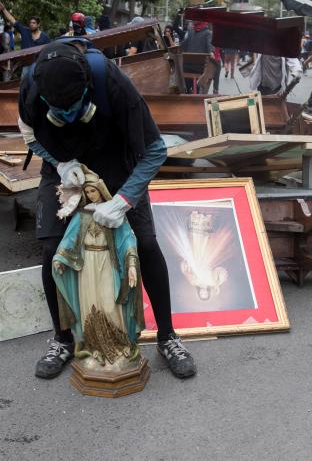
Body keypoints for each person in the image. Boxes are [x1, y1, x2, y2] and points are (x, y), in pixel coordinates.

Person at [17, 38, 197, 380]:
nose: (68, 117)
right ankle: (62, 339)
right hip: (65, 166)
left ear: (87, 89)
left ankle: (168, 337)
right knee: (52, 248)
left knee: (144, 244)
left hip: (118, 164)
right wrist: (58, 163)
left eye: (74, 109)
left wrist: (124, 199)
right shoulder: (30, 87)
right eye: (60, 112)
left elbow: (156, 150)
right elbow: (30, 137)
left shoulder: (113, 84)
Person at [52, 168, 143, 368]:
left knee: (110, 304)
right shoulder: (82, 216)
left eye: (93, 191)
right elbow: (70, 240)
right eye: (87, 192)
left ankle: (120, 346)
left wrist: (131, 264)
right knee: (89, 305)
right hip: (86, 266)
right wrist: (60, 259)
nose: (90, 195)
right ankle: (95, 349)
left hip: (107, 262)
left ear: (101, 190)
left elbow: (127, 239)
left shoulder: (113, 212)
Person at [181, 21, 214, 93]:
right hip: (199, 68)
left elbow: (182, 47)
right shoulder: (208, 33)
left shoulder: (190, 32)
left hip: (187, 66)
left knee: (186, 87)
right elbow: (210, 48)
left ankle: (188, 93)